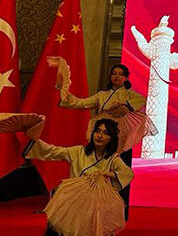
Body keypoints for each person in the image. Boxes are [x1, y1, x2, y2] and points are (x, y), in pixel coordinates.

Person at [1, 119, 133, 236]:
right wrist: (31, 139)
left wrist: (108, 174)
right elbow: (52, 151)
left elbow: (127, 173)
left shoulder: (112, 159)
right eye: (97, 131)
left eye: (105, 133)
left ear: (111, 138)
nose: (99, 136)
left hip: (93, 204)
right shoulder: (79, 151)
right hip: (73, 200)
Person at [57, 63, 147, 216]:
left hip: (121, 140)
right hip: (101, 139)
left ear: (126, 78)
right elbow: (80, 103)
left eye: (120, 74)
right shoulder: (102, 95)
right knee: (97, 171)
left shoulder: (130, 95)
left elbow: (141, 101)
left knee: (120, 173)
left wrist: (125, 105)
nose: (116, 76)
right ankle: (94, 209)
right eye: (114, 73)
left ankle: (119, 209)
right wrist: (64, 92)